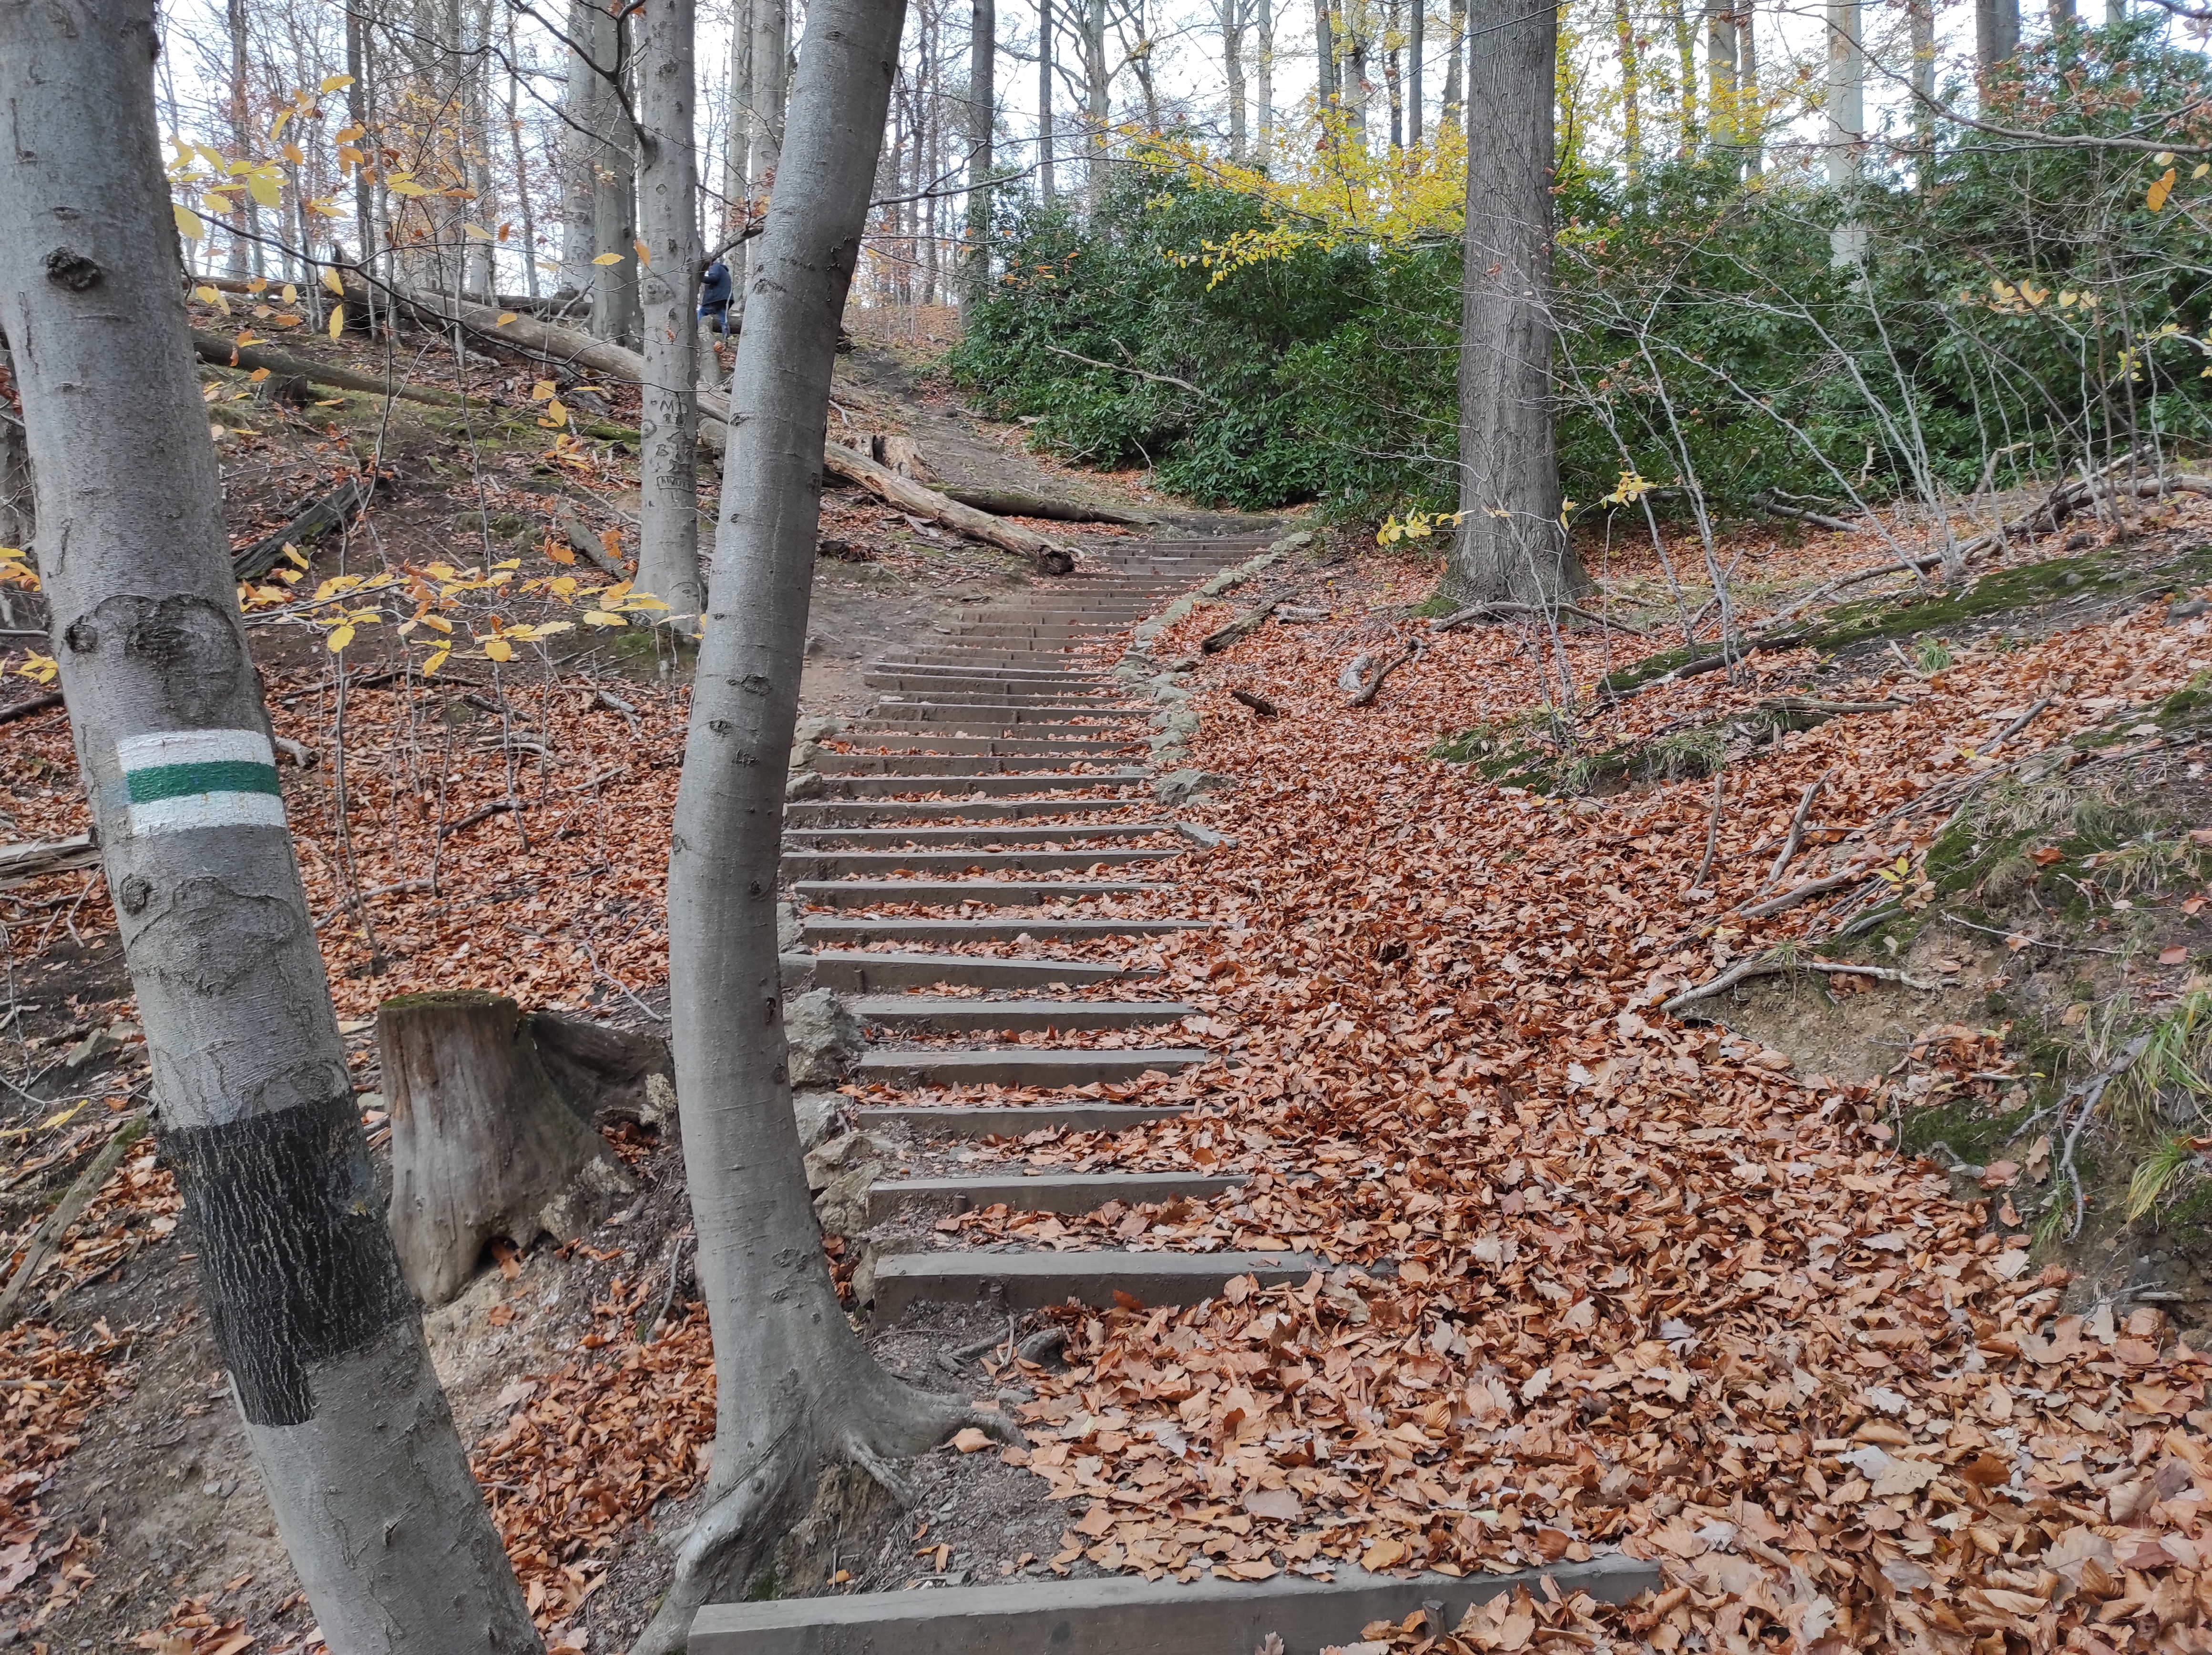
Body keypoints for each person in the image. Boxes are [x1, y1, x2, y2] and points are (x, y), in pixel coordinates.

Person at [698, 258, 732, 338]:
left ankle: (700, 332)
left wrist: (701, 278)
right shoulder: (723, 270)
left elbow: (714, 278)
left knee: (702, 312)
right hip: (725, 298)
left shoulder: (715, 267)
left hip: (715, 298)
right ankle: (726, 338)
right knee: (723, 319)